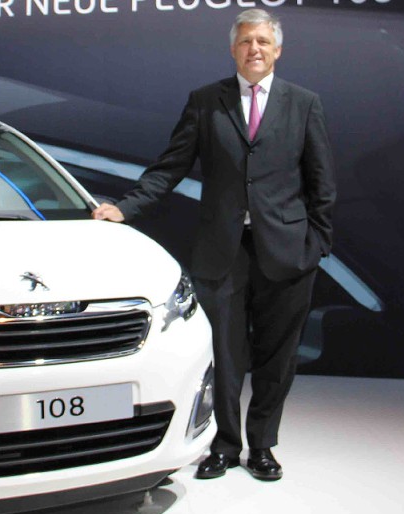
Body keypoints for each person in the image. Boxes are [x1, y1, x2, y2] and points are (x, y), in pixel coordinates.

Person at [92, 9, 335, 481]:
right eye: (246, 41)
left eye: (262, 41)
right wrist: (126, 207)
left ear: (278, 50)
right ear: (233, 49)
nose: (254, 49)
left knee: (277, 356)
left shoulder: (304, 104)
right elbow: (170, 166)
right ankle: (224, 444)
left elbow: (322, 181)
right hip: (222, 250)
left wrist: (318, 244)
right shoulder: (206, 101)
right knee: (223, 353)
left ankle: (262, 445)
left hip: (288, 251)